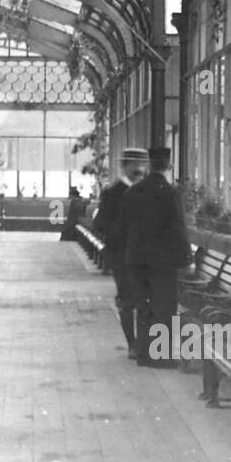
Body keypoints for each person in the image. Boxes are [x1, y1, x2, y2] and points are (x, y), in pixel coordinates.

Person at [119, 148, 193, 368]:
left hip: (137, 260)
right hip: (163, 262)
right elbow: (178, 228)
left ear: (149, 164)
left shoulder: (134, 191)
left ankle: (143, 354)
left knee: (143, 306)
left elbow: (123, 227)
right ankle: (163, 356)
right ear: (168, 166)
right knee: (165, 308)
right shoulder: (169, 192)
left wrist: (129, 253)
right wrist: (186, 259)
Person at [93, 147, 149, 352]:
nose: (139, 168)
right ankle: (132, 344)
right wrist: (123, 232)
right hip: (122, 257)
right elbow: (99, 224)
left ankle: (143, 344)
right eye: (134, 164)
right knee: (127, 301)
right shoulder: (112, 193)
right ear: (124, 166)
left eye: (142, 164)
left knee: (143, 301)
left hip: (144, 257)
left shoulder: (147, 191)